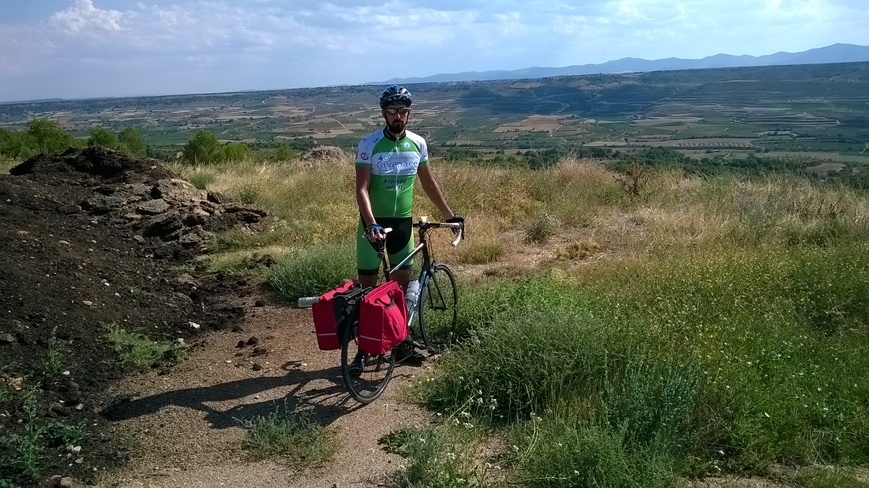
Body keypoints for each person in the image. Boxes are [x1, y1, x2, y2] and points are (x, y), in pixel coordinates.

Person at [354, 85, 463, 361]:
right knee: (367, 294)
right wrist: (370, 224)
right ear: (383, 114)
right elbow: (362, 189)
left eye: (402, 111)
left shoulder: (418, 143)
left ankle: (400, 344)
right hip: (372, 227)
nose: (397, 116)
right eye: (392, 111)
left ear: (409, 113)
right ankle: (363, 350)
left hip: (403, 226)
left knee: (399, 293)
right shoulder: (369, 144)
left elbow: (428, 183)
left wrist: (449, 216)